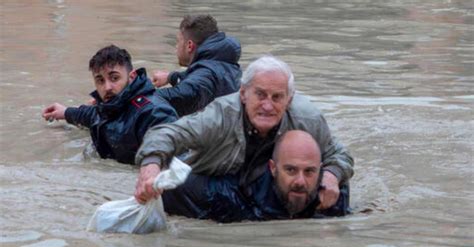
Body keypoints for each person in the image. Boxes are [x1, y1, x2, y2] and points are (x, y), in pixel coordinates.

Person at [135, 55, 354, 211]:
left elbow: (339, 156)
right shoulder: (219, 116)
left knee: (338, 192)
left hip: (268, 185)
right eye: (260, 95)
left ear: (289, 99)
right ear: (243, 94)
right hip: (219, 184)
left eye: (277, 97)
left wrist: (332, 175)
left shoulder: (308, 119)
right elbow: (165, 134)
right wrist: (150, 167)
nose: (267, 106)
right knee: (171, 188)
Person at [162, 130, 350, 222]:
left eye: (309, 172)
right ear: (273, 168)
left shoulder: (332, 196)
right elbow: (171, 185)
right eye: (291, 170)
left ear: (320, 170)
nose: (301, 181)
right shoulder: (229, 196)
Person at [41, 45, 177, 165]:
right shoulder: (110, 106)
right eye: (100, 80)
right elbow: (93, 115)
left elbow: (172, 150)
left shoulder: (153, 112)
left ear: (132, 77)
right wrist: (65, 112)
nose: (107, 87)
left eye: (114, 78)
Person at [152, 15, 242, 117]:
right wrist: (171, 77)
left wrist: (139, 96)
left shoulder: (205, 75)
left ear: (189, 46)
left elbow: (188, 92)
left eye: (178, 41)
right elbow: (198, 80)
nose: (176, 47)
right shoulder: (223, 63)